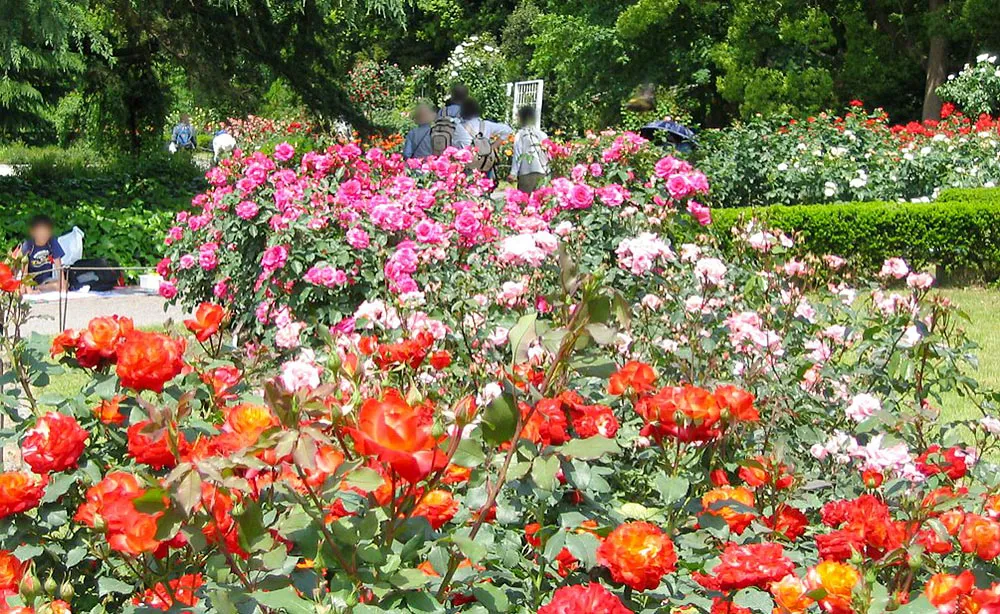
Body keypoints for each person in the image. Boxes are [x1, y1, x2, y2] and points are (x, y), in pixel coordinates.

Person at [16, 215, 64, 293]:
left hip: (46, 280)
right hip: (29, 279)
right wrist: (29, 289)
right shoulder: (28, 245)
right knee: (21, 290)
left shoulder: (52, 243)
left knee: (62, 284)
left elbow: (59, 266)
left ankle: (38, 288)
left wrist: (63, 285)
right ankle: (34, 287)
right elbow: (24, 271)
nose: (43, 235)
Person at [508, 106, 550, 193]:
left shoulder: (520, 135)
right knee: (539, 201)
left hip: (526, 172)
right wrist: (548, 170)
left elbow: (518, 154)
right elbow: (547, 155)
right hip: (541, 172)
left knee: (524, 201)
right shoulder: (542, 134)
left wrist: (513, 173)